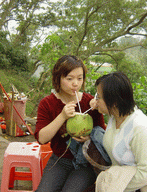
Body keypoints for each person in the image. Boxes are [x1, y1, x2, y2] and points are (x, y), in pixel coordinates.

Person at [34, 55, 106, 192]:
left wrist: (89, 138)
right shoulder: (47, 103)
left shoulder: (89, 103)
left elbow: (102, 135)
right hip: (60, 160)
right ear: (58, 79)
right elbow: (42, 138)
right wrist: (62, 116)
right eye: (69, 79)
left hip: (86, 163)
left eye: (80, 78)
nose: (75, 83)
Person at [90, 71, 147, 192]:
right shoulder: (115, 116)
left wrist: (114, 185)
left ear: (114, 102)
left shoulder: (140, 128)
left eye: (98, 97)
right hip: (124, 178)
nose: (95, 100)